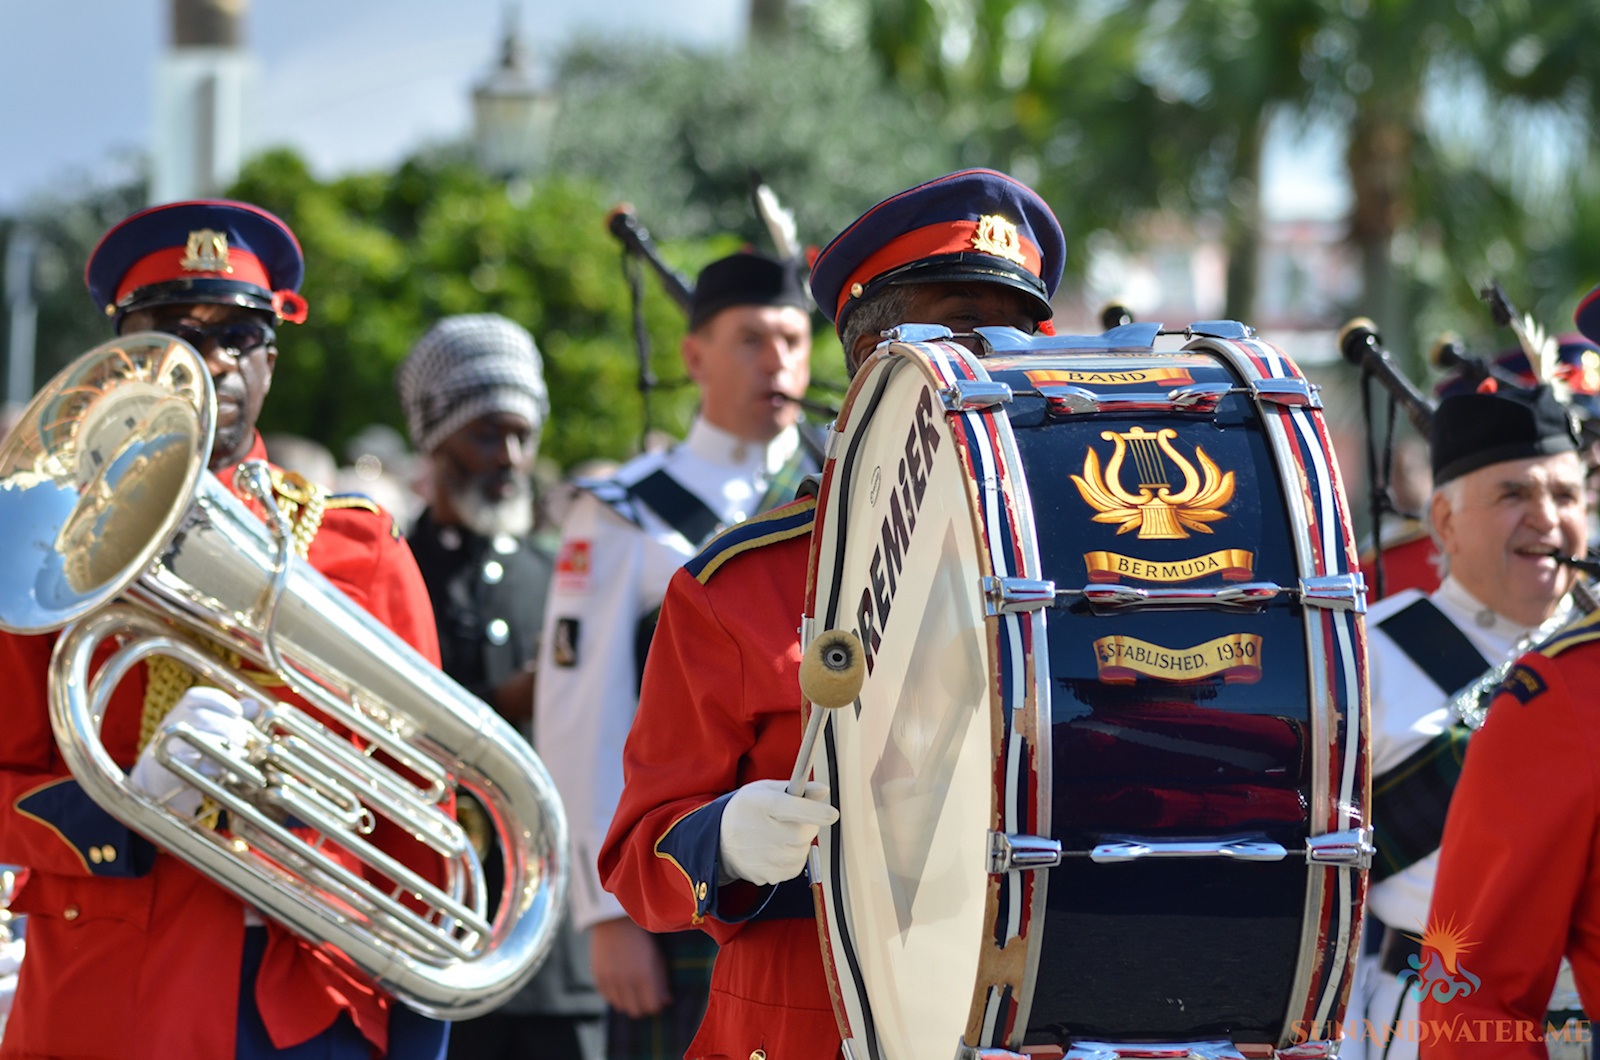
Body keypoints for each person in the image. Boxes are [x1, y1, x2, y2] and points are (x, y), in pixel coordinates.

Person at [597, 169, 1065, 1060]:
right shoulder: (739, 586)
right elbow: (636, 857)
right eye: (944, 331)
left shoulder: (1082, 572)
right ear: (867, 365)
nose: (975, 362)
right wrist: (725, 837)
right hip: (808, 1026)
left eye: (1004, 334)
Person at [0, 200, 448, 1059]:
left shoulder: (360, 546)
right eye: (174, 328)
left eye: (240, 336)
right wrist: (117, 809)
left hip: (305, 996)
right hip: (103, 991)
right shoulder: (45, 545)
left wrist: (422, 1022)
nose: (213, 358)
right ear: (119, 356)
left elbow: (422, 803)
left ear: (271, 363)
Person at [534, 251, 816, 1057]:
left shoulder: (853, 488)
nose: (779, 362)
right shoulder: (623, 511)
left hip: (813, 892)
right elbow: (581, 719)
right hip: (671, 876)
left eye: (794, 341)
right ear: (693, 356)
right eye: (750, 340)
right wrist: (604, 914)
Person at [1345, 382, 1588, 1059]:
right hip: (1437, 1020)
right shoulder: (1368, 658)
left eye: (1566, 497)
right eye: (1514, 495)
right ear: (1445, 522)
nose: (1547, 518)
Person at [397, 314, 605, 1060]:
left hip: (562, 967)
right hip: (431, 942)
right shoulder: (390, 570)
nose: (512, 458)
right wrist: (496, 709)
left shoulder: (563, 580)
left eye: (524, 435)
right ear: (435, 437)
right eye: (487, 435)